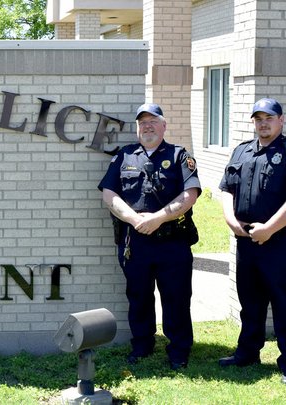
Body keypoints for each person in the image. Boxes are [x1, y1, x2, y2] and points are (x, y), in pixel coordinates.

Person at [218, 98, 286, 384]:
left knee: (285, 303)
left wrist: (270, 228)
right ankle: (247, 353)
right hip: (247, 240)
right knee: (250, 301)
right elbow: (226, 189)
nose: (263, 123)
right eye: (258, 118)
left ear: (281, 120)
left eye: (269, 118)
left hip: (282, 242)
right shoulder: (241, 152)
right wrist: (231, 221)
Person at [98, 103, 201, 370]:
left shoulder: (179, 156)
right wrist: (135, 219)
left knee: (176, 298)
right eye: (142, 122)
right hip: (136, 242)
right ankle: (142, 345)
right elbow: (109, 193)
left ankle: (179, 350)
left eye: (153, 121)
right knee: (139, 296)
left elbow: (190, 194)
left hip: (172, 242)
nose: (147, 126)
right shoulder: (125, 156)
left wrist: (158, 218)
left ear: (164, 126)